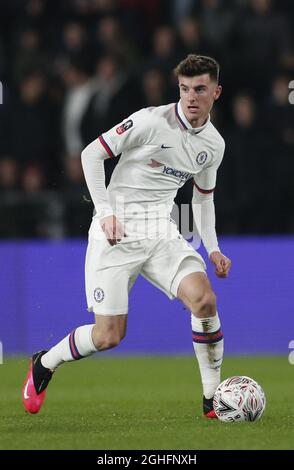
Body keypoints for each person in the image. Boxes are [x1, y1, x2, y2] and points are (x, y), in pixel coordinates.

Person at [22, 54, 231, 418]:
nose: (191, 97)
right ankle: (44, 363)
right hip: (115, 233)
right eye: (184, 89)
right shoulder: (150, 121)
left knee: (204, 301)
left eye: (200, 89)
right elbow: (90, 155)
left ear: (216, 91)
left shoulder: (214, 144)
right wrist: (105, 213)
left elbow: (203, 199)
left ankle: (211, 399)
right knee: (109, 336)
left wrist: (213, 249)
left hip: (161, 230)